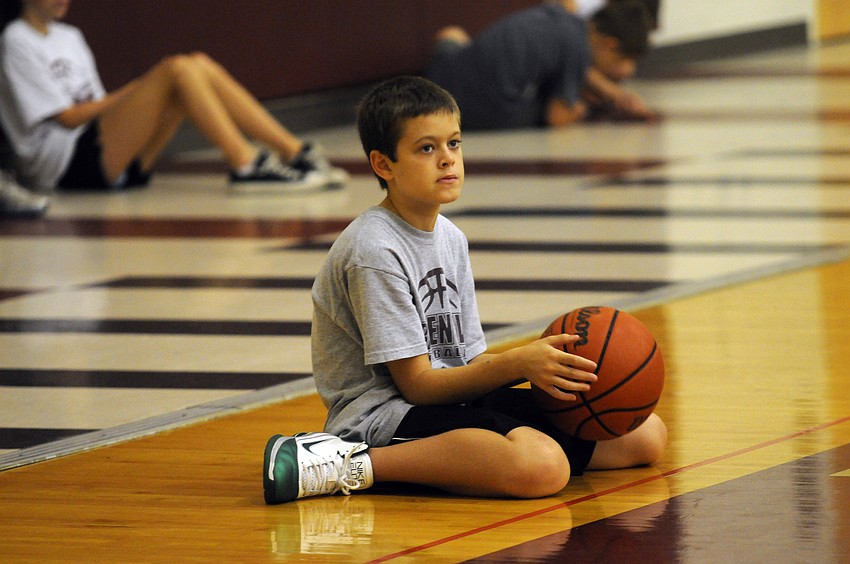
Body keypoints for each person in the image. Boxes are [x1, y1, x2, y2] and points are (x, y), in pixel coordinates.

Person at [263, 75, 666, 504]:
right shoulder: (373, 249)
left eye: (453, 143)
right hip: (384, 416)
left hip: (450, 402)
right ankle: (344, 462)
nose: (447, 160)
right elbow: (417, 386)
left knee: (643, 436)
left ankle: (467, 457)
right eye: (426, 148)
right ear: (384, 165)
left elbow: (467, 362)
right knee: (542, 466)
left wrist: (547, 369)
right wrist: (517, 363)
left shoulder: (449, 237)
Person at [0, 0, 347, 194]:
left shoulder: (69, 35)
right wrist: (139, 89)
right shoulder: (16, 39)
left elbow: (98, 103)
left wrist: (135, 96)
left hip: (106, 155)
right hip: (63, 165)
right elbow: (69, 117)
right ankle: (245, 164)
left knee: (195, 65)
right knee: (175, 70)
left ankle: (294, 152)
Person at [424, 0, 654, 130]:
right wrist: (591, 108)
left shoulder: (562, 18)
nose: (627, 69)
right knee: (572, 108)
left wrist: (612, 93)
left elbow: (578, 69)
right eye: (625, 60)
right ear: (609, 45)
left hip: (442, 79)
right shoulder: (578, 47)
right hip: (475, 110)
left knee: (452, 35)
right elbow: (557, 116)